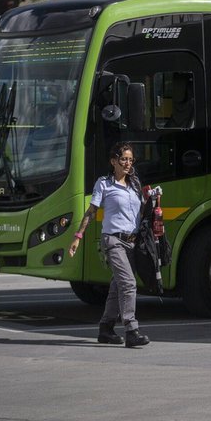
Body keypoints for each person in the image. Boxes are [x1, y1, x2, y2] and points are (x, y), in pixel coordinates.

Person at [69, 142, 150, 348]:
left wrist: (151, 201)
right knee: (128, 284)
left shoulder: (134, 184)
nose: (127, 164)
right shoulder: (104, 184)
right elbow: (91, 212)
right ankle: (131, 329)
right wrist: (78, 237)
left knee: (117, 286)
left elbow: (141, 213)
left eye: (130, 160)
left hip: (132, 241)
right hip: (113, 240)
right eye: (123, 159)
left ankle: (105, 329)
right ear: (113, 161)